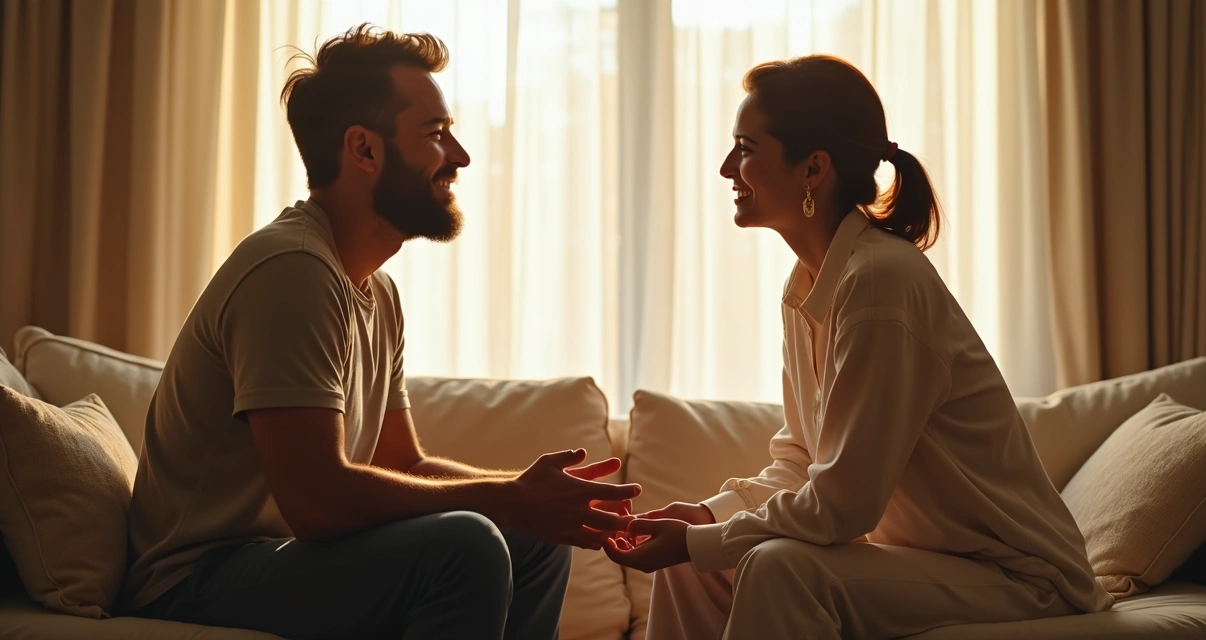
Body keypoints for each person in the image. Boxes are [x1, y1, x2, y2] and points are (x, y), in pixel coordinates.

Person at [122, 24, 638, 640]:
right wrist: (500, 501)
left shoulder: (375, 291)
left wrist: (527, 496)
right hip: (195, 580)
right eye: (436, 135)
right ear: (363, 149)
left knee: (533, 538)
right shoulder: (292, 271)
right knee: (467, 543)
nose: (462, 157)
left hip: (279, 565)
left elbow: (404, 463)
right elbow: (315, 501)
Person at [603, 55, 1114, 640]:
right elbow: (801, 463)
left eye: (745, 147)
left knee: (779, 567)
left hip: (1022, 578)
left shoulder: (880, 283)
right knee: (692, 567)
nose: (726, 168)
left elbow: (845, 505)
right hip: (940, 565)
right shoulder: (810, 285)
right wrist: (704, 520)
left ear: (812, 168)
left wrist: (704, 538)